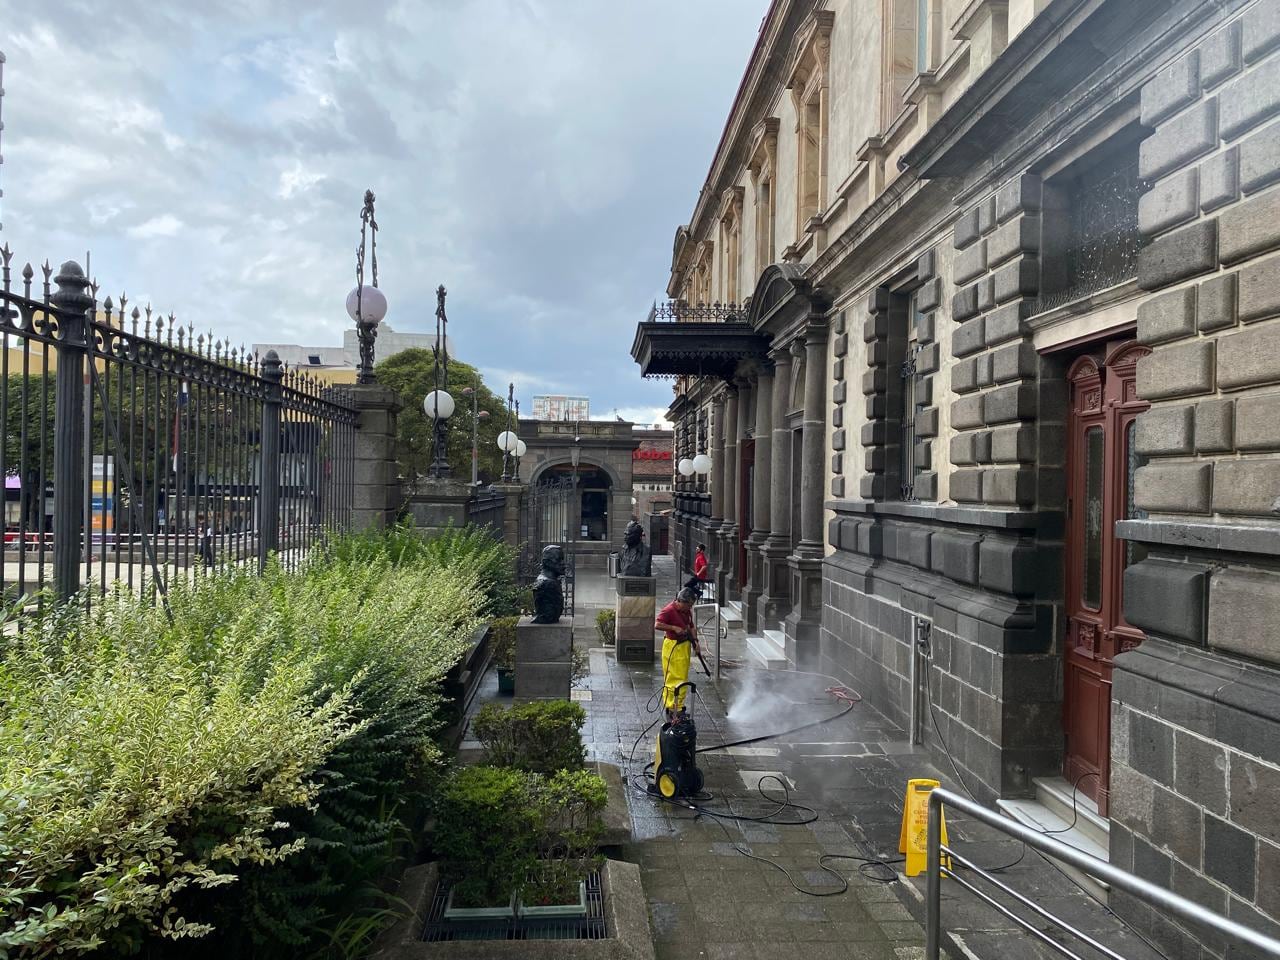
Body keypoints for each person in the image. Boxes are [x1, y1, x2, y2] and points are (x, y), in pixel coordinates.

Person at [655, 587, 700, 719]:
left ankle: (678, 705)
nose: (690, 608)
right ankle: (672, 707)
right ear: (680, 601)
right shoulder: (669, 610)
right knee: (674, 678)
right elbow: (657, 624)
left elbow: (691, 626)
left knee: (682, 678)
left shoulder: (687, 611)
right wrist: (673, 628)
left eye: (691, 605)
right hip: (673, 646)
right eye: (688, 605)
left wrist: (696, 642)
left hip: (684, 646)